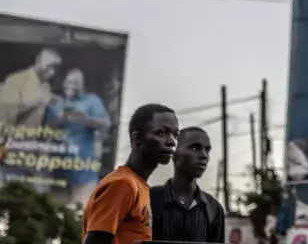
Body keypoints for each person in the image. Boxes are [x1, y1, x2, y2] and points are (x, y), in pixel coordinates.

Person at [82, 104, 178, 244]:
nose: (172, 142)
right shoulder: (122, 184)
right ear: (137, 138)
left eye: (175, 134)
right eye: (161, 133)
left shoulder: (141, 187)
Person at [44, 68, 111, 204]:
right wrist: (59, 119)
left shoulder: (92, 101)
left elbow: (106, 123)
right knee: (54, 208)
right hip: (59, 166)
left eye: (75, 83)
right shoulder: (56, 102)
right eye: (68, 82)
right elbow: (46, 129)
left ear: (82, 85)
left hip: (84, 166)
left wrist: (86, 119)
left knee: (81, 210)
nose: (70, 85)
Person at [151, 126, 226, 242]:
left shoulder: (214, 209)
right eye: (195, 148)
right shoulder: (149, 200)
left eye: (207, 150)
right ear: (174, 153)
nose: (204, 155)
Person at [0, 48, 61, 127]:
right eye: (49, 66)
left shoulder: (47, 86)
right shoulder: (15, 80)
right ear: (38, 61)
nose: (52, 72)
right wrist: (38, 100)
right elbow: (6, 116)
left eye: (55, 68)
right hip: (13, 133)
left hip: (35, 133)